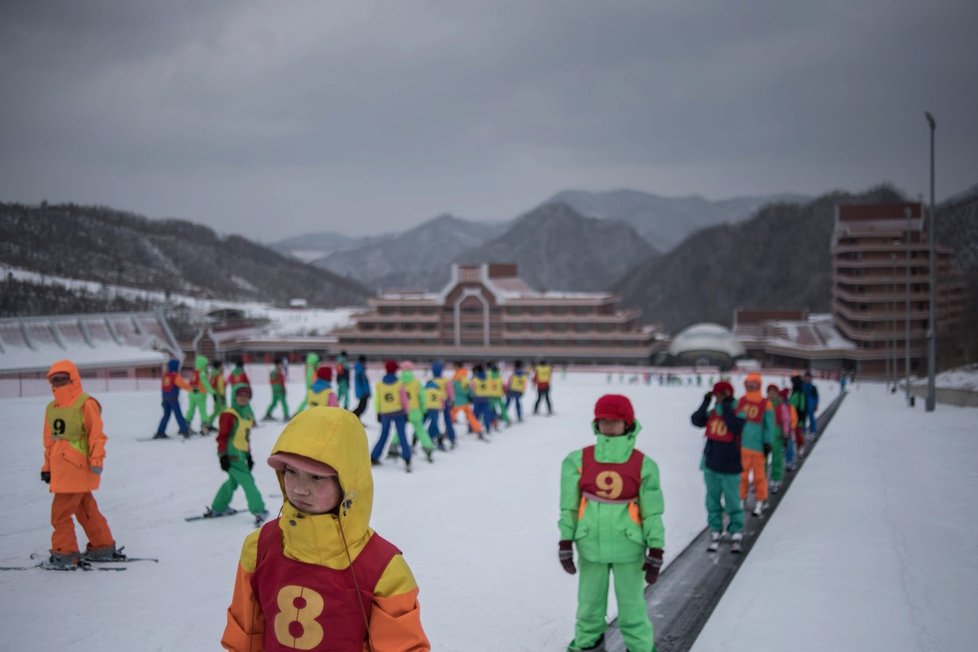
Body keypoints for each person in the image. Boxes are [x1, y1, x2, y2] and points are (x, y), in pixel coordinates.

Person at [220, 407, 431, 651]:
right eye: (291, 472)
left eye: (317, 477)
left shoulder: (383, 568)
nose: (300, 488)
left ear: (348, 482)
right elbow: (245, 636)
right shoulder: (259, 548)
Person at [558, 395, 665, 652]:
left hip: (629, 549)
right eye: (603, 420)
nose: (608, 426)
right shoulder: (577, 460)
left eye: (614, 421)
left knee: (632, 611)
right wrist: (565, 540)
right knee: (588, 608)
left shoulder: (644, 464)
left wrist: (656, 548)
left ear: (627, 423)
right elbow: (569, 507)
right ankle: (587, 646)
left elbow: (652, 512)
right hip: (590, 547)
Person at [41, 360, 123, 569]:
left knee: (60, 514)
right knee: (85, 506)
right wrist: (47, 468)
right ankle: (102, 546)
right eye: (54, 380)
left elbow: (97, 436)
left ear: (73, 379)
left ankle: (64, 554)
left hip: (77, 468)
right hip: (62, 470)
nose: (58, 383)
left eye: (63, 378)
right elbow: (50, 442)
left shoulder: (86, 403)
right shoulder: (52, 408)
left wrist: (97, 460)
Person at [690, 381, 747, 553]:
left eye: (721, 395)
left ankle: (736, 529)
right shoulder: (713, 412)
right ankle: (716, 528)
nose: (718, 398)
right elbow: (696, 420)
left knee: (732, 500)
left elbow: (735, 426)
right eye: (716, 395)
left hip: (731, 465)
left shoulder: (738, 411)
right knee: (712, 500)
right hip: (711, 465)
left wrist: (727, 407)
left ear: (729, 395)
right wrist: (705, 402)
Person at [209, 384, 267, 523]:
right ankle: (259, 510)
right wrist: (222, 456)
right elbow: (222, 436)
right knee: (248, 482)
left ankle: (219, 506)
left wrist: (249, 455)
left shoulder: (246, 414)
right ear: (235, 396)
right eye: (240, 395)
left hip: (241, 454)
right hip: (232, 455)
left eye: (246, 396)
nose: (243, 398)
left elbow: (245, 437)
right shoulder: (229, 414)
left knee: (232, 482)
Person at [737, 373, 776, 517]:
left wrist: (768, 443)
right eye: (748, 384)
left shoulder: (766, 404)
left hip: (758, 447)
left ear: (759, 385)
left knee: (760, 477)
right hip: (743, 446)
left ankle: (761, 500)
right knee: (742, 476)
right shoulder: (741, 401)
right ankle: (741, 498)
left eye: (753, 384)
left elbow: (769, 425)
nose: (750, 386)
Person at [370, 360, 412, 472]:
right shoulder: (399, 384)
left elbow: (377, 400)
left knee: (383, 435)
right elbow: (404, 400)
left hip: (385, 413)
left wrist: (378, 412)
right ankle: (407, 458)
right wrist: (406, 412)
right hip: (398, 412)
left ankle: (374, 456)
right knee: (402, 435)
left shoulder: (380, 384)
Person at [155, 358, 191, 439]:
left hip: (165, 398)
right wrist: (192, 389)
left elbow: (163, 388)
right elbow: (183, 385)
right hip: (173, 398)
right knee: (178, 414)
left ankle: (160, 432)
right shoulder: (175, 376)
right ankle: (185, 431)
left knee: (166, 415)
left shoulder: (166, 375)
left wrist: (163, 399)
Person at [767, 384, 791, 494]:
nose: (771, 395)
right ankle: (761, 481)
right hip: (765, 435)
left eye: (773, 393)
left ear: (777, 394)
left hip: (777, 435)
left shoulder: (781, 406)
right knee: (762, 460)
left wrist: (785, 433)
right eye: (769, 392)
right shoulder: (765, 404)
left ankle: (776, 479)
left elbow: (786, 420)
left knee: (777, 458)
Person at [186, 354, 217, 434]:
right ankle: (205, 427)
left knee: (190, 410)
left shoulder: (194, 372)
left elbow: (190, 383)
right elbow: (205, 384)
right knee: (203, 411)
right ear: (203, 364)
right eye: (205, 364)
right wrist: (213, 393)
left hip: (191, 394)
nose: (206, 365)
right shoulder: (202, 373)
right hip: (200, 395)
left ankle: (186, 425)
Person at [450, 362, 483, 437]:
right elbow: (470, 388)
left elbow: (454, 389)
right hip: (465, 401)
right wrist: (470, 396)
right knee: (470, 416)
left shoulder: (456, 377)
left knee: (451, 415)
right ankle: (478, 429)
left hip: (457, 401)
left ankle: (448, 430)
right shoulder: (465, 377)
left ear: (457, 367)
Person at [429, 361, 456, 449]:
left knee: (434, 421)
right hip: (445, 402)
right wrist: (452, 400)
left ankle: (432, 436)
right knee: (447, 420)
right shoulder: (445, 381)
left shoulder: (431, 381)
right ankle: (452, 437)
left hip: (434, 404)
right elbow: (450, 392)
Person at [204, 359, 227, 433]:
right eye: (222, 366)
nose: (223, 367)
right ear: (219, 367)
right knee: (224, 411)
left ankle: (209, 424)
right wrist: (222, 396)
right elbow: (220, 387)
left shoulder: (213, 375)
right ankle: (224, 427)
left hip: (215, 396)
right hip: (220, 396)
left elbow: (211, 385)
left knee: (216, 411)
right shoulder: (219, 376)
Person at [352, 355, 372, 421]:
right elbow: (361, 384)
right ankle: (352, 417)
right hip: (363, 392)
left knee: (361, 407)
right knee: (362, 407)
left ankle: (356, 419)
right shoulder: (360, 371)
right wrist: (365, 392)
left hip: (363, 392)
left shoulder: (360, 370)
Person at [802, 371, 820, 437]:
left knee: (812, 419)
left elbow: (816, 397)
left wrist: (816, 405)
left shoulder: (813, 387)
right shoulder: (801, 386)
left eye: (809, 378)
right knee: (803, 419)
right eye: (806, 378)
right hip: (803, 406)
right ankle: (803, 431)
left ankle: (813, 431)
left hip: (810, 406)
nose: (807, 379)